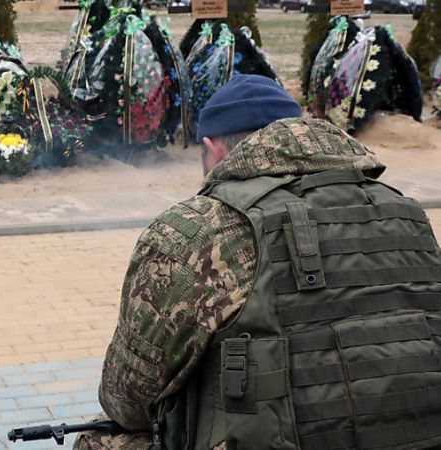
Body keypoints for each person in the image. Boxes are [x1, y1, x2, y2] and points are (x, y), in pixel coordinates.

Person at [75, 74, 441, 449]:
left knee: (102, 438)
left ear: (212, 150)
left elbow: (127, 398)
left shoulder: (198, 229)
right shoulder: (406, 214)